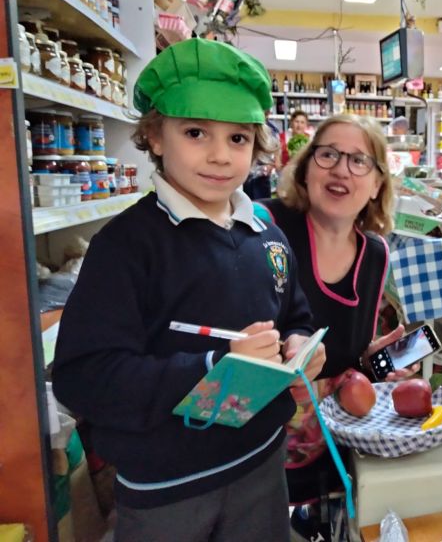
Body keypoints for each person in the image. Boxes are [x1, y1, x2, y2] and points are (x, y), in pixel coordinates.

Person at [52, 38, 325, 542]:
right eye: (196, 132)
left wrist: (301, 346)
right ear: (156, 136)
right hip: (166, 491)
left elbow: (295, 315)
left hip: (264, 466)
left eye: (238, 138)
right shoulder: (126, 246)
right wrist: (213, 368)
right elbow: (83, 377)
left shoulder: (267, 235)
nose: (220, 156)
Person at [257, 114, 416, 541]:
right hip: (257, 448)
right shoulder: (264, 225)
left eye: (359, 160)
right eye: (328, 154)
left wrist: (375, 362)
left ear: (377, 184)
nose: (342, 170)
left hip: (334, 449)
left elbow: (350, 357)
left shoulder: (376, 254)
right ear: (306, 169)